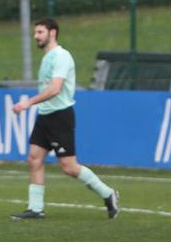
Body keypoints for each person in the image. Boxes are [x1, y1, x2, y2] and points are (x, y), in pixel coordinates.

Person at [11, 18, 120, 220]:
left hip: (60, 116)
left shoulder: (61, 56)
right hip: (45, 115)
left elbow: (55, 89)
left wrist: (28, 103)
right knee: (34, 158)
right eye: (36, 32)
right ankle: (36, 209)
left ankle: (108, 194)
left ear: (52, 33)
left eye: (40, 32)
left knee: (69, 167)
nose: (36, 36)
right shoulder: (47, 57)